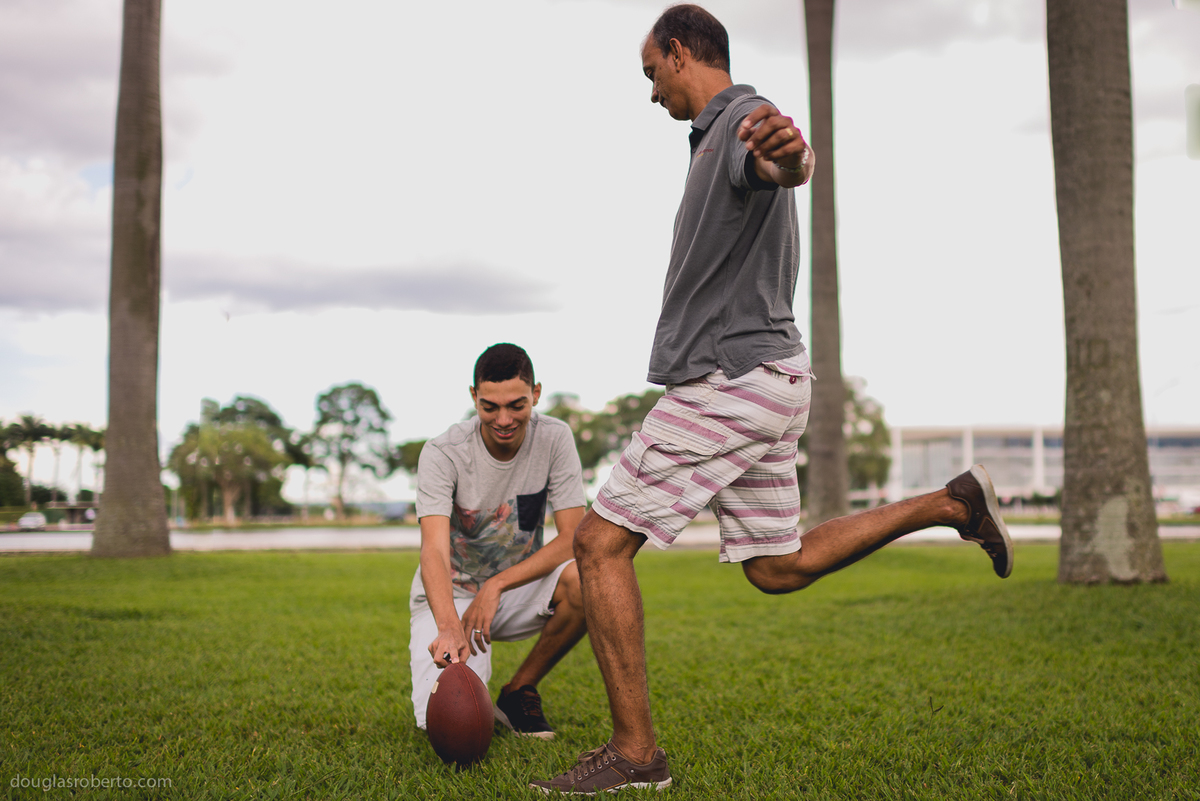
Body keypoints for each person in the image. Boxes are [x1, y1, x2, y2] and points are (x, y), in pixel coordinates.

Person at [531, 5, 1013, 794]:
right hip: (772, 378)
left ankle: (635, 753)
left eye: (651, 73)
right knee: (775, 566)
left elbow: (784, 160)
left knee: (599, 544)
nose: (651, 92)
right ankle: (952, 502)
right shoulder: (715, 136)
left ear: (679, 52)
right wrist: (787, 159)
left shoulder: (738, 120)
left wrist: (794, 155)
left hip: (726, 378)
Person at [409, 343, 588, 739]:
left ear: (535, 394)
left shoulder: (554, 437)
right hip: (452, 595)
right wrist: (448, 626)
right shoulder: (442, 452)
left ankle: (519, 689)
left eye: (516, 405)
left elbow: (573, 536)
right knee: (448, 722)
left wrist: (497, 585)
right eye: (490, 407)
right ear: (474, 396)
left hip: (515, 588)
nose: (504, 419)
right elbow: (433, 548)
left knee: (588, 579)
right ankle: (467, 671)